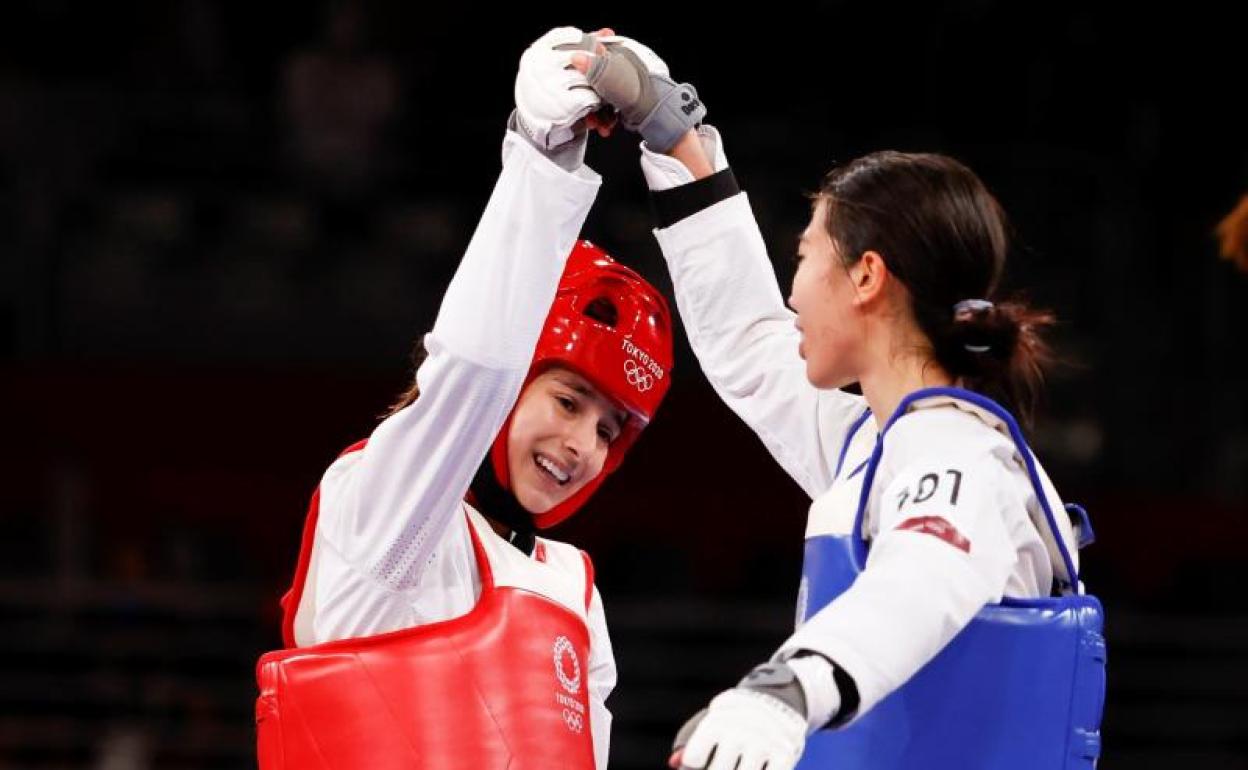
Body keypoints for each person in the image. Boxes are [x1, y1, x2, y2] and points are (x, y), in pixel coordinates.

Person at [571, 35, 1106, 770]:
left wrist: (783, 692)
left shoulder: (960, 454)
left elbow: (923, 580)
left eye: (805, 258)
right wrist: (675, 138)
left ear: (866, 277)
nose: (793, 291)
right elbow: (751, 346)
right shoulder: (873, 443)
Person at [254, 27, 675, 770]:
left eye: (611, 430)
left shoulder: (573, 590)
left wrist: (686, 144)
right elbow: (473, 371)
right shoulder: (393, 509)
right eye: (569, 401)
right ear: (517, 384)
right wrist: (543, 161)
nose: (584, 445)